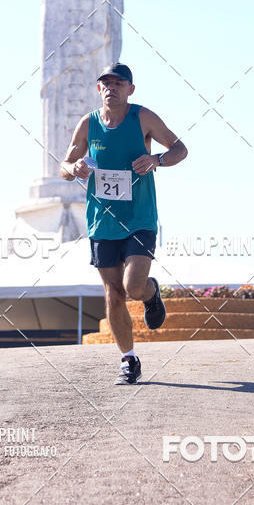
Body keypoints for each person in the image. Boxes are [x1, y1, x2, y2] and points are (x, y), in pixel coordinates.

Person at [59, 62, 188, 384]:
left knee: (132, 287)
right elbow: (65, 163)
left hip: (139, 217)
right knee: (112, 293)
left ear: (130, 89)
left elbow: (180, 149)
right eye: (106, 83)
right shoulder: (88, 124)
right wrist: (73, 169)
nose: (111, 88)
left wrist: (156, 159)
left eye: (119, 83)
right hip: (101, 221)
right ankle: (128, 359)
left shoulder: (142, 117)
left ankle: (150, 292)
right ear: (98, 89)